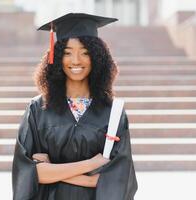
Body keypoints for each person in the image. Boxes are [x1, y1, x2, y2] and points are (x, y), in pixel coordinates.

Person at [12, 13, 138, 200]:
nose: (76, 60)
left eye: (85, 52)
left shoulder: (113, 112)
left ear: (96, 57)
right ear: (56, 57)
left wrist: (50, 171)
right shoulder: (38, 109)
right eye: (68, 52)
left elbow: (120, 179)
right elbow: (26, 173)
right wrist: (91, 167)